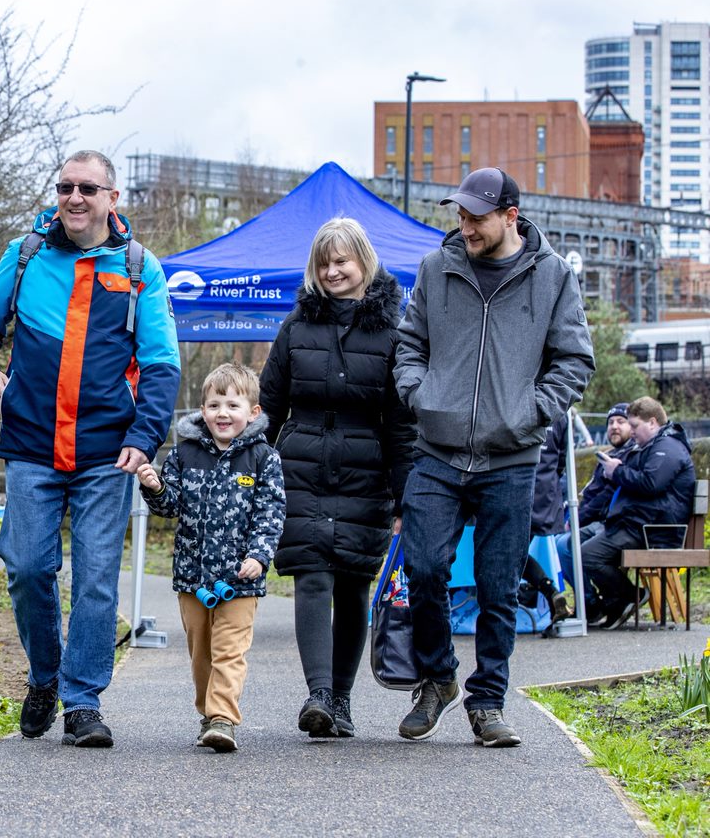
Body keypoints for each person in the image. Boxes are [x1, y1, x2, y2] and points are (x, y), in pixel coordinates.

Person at [0, 150, 181, 748]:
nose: (74, 198)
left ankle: (82, 701)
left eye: (88, 188)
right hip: (31, 441)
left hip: (107, 451)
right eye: (65, 187)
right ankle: (43, 677)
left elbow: (162, 364)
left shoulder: (140, 270)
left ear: (113, 198)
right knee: (28, 566)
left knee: (95, 582)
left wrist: (145, 435)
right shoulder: (26, 254)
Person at [394, 167, 594, 748]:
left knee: (497, 584)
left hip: (512, 456)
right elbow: (410, 344)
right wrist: (419, 395)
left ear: (510, 216)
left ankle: (488, 702)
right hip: (438, 447)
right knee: (425, 567)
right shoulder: (438, 268)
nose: (465, 226)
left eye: (476, 217)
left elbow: (574, 361)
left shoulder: (553, 277)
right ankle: (436, 679)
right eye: (460, 215)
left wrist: (532, 411)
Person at [259, 217, 416, 739]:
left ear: (363, 262)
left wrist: (403, 495)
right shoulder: (296, 327)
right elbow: (269, 406)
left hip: (366, 475)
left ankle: (342, 700)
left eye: (342, 261)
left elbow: (400, 423)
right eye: (324, 263)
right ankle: (319, 694)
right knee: (312, 576)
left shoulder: (395, 332)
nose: (332, 271)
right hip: (299, 471)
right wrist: (253, 472)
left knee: (352, 586)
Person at [136, 363, 285, 753]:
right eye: (214, 404)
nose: (223, 413)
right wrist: (154, 486)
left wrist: (259, 555)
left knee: (229, 650)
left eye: (232, 405)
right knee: (201, 650)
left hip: (241, 578)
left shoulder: (263, 458)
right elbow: (169, 506)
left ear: (252, 412)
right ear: (202, 410)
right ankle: (207, 711)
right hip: (192, 576)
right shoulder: (184, 454)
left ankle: (223, 718)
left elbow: (271, 513)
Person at [585, 396, 695, 629]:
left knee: (586, 556)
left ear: (652, 423)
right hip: (638, 524)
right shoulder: (651, 447)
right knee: (579, 548)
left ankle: (627, 596)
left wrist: (617, 471)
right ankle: (617, 601)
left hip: (653, 530)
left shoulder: (669, 448)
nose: (631, 432)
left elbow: (651, 483)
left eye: (634, 426)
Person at [554, 402, 636, 617]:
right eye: (610, 423)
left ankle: (596, 601)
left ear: (633, 426)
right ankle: (589, 601)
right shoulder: (607, 455)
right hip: (597, 522)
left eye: (621, 422)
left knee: (567, 544)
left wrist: (576, 519)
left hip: (613, 524)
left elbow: (606, 497)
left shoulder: (628, 456)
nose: (614, 427)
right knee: (558, 543)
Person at [524, 415, 571, 622]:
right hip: (545, 494)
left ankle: (547, 589)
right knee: (512, 552)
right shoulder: (560, 411)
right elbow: (562, 459)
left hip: (516, 488)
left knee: (503, 553)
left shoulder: (514, 398)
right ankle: (548, 591)